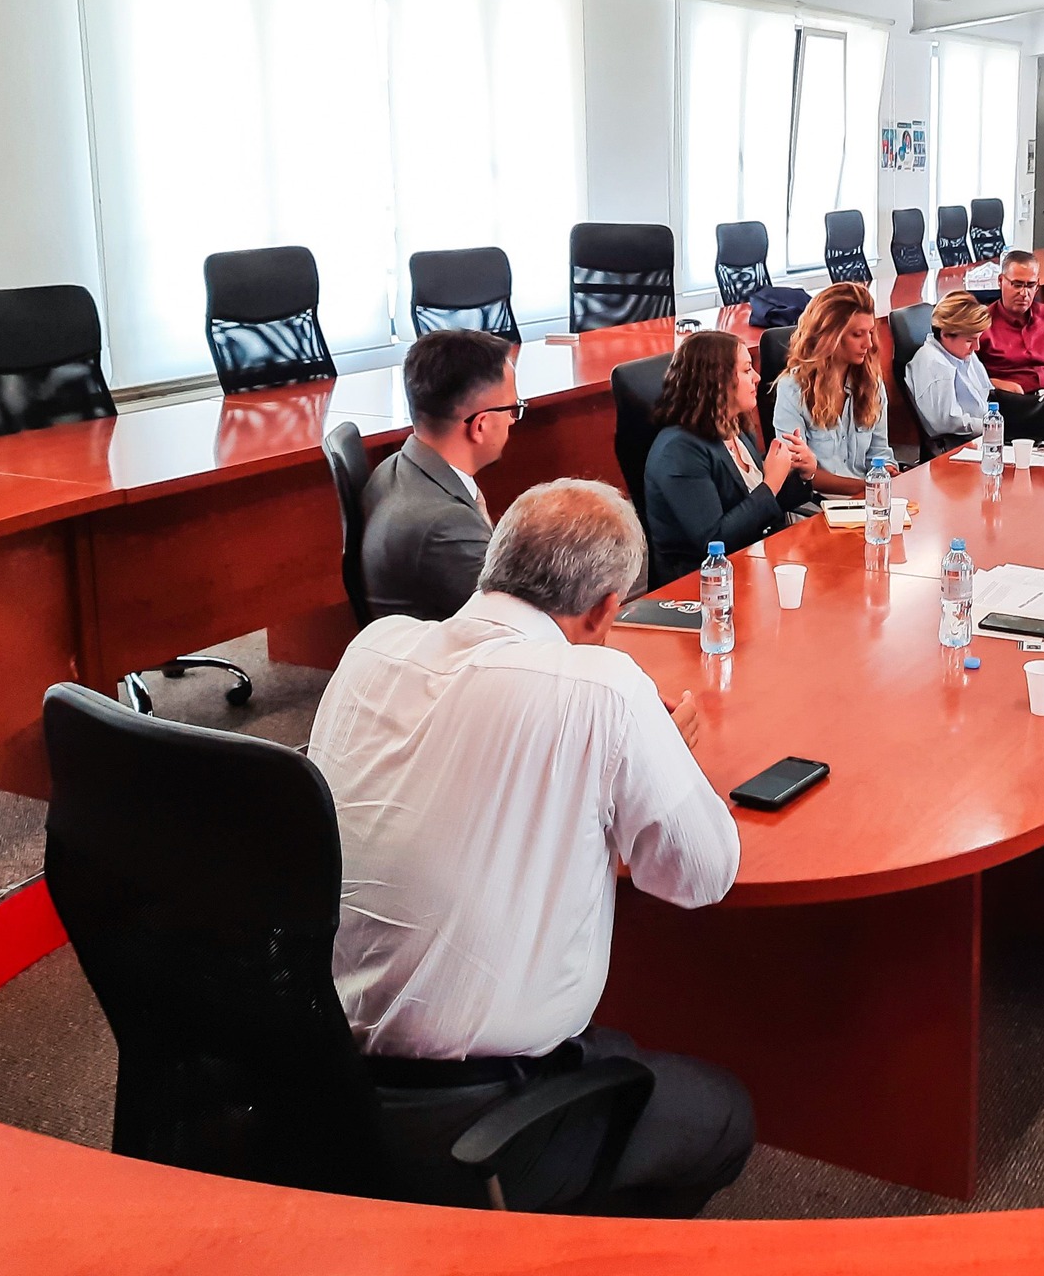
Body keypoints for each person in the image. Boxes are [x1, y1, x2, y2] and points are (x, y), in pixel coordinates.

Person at [308, 478, 752, 1218]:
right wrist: (658, 758)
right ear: (605, 608)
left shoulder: (373, 648)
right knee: (721, 1115)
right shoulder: (602, 687)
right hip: (468, 1114)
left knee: (618, 1048)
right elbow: (703, 874)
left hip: (323, 1075)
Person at [362, 328, 520, 622]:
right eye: (512, 409)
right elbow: (519, 619)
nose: (513, 420)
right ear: (481, 425)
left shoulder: (394, 468)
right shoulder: (446, 525)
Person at [644, 331, 817, 588]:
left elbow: (760, 508)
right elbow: (714, 540)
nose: (757, 377)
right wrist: (771, 483)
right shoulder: (679, 451)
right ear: (717, 380)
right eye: (747, 370)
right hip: (703, 585)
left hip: (753, 564)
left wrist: (804, 473)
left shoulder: (737, 427)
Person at [770, 282, 892, 497]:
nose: (869, 344)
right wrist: (866, 487)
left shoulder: (871, 382)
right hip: (819, 502)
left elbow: (879, 452)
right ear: (829, 337)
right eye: (857, 334)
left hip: (868, 496)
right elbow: (797, 472)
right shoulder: (793, 388)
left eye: (871, 332)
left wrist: (888, 471)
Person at [978, 248, 1044, 392]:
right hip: (1009, 400)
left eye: (1031, 285)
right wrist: (996, 385)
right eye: (1017, 284)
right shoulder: (981, 325)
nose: (1024, 293)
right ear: (1000, 281)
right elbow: (969, 378)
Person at [906, 291, 994, 447]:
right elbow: (947, 423)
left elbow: (986, 393)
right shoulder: (935, 365)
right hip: (958, 443)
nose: (977, 347)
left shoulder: (960, 352)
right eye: (970, 340)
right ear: (945, 334)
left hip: (981, 432)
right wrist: (991, 426)